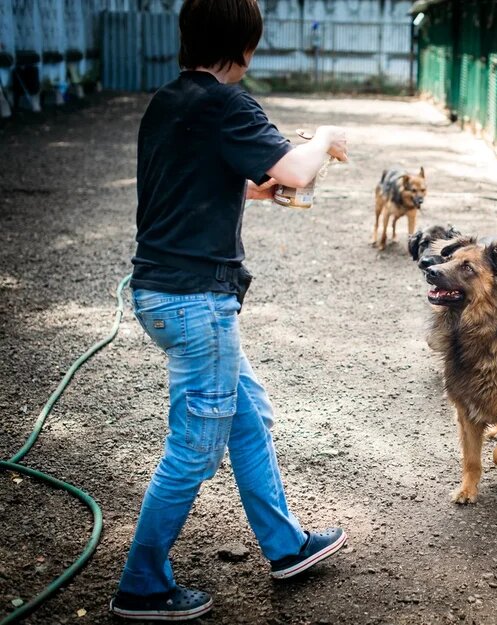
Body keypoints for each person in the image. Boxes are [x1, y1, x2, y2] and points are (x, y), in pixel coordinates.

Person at [109, 0, 348, 620]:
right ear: (245, 46)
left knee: (247, 416)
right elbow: (296, 168)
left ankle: (286, 546)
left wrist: (252, 190)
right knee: (194, 446)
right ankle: (141, 585)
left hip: (162, 292)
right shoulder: (227, 102)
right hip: (195, 302)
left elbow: (188, 180)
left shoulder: (167, 101)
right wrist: (322, 139)